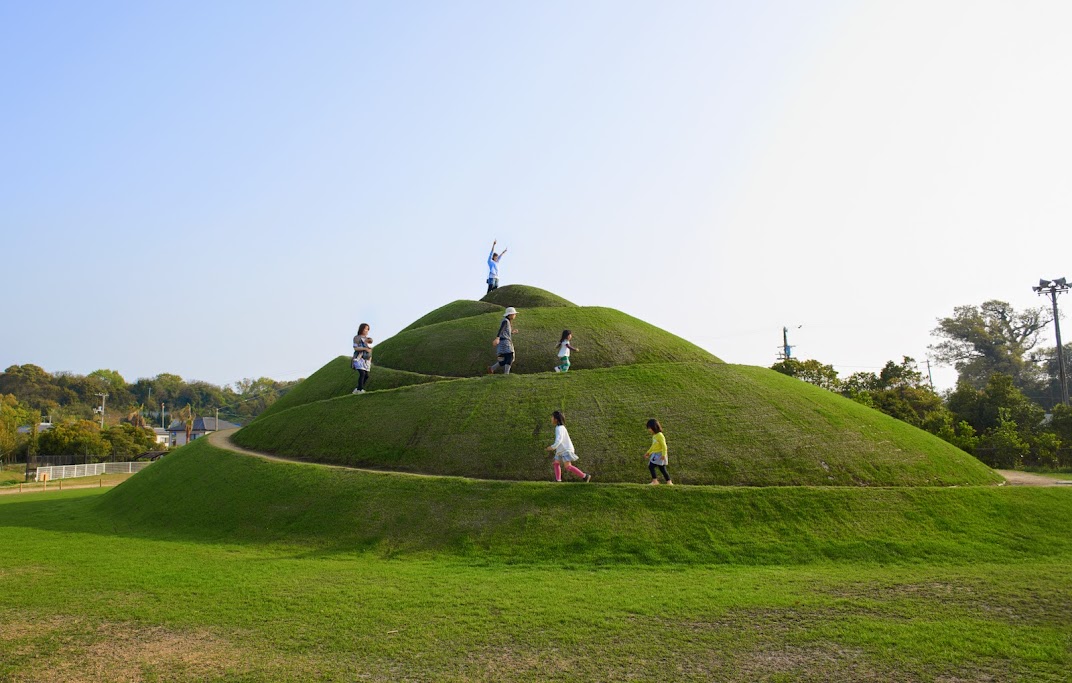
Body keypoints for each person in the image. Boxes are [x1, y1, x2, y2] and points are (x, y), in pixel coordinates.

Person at [545, 410, 591, 482]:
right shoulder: (560, 427)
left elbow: (559, 440)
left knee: (568, 466)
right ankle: (558, 480)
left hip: (566, 450)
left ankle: (585, 476)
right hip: (561, 450)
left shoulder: (559, 428)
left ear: (556, 419)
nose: (551, 419)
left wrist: (552, 447)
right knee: (556, 463)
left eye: (552, 417)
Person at [488, 307, 518, 374]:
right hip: (505, 342)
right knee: (510, 357)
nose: (515, 315)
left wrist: (512, 332)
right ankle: (506, 374)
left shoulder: (507, 321)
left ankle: (492, 368)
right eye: (514, 314)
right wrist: (497, 338)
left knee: (504, 359)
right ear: (510, 315)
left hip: (502, 343)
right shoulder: (505, 321)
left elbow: (505, 332)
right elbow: (501, 329)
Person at [644, 418, 672, 485]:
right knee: (662, 468)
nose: (649, 430)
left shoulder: (660, 435)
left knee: (651, 466)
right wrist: (648, 452)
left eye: (649, 428)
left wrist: (663, 454)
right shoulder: (654, 436)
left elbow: (664, 446)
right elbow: (653, 446)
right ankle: (669, 482)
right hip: (655, 454)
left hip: (659, 455)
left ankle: (655, 481)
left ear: (654, 427)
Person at [351, 324, 373, 394]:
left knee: (366, 375)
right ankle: (360, 390)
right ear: (361, 329)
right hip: (358, 358)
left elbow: (370, 350)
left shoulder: (368, 339)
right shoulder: (357, 338)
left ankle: (357, 389)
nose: (367, 331)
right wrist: (364, 348)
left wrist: (370, 359)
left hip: (366, 360)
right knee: (362, 373)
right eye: (365, 329)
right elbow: (355, 348)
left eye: (368, 329)